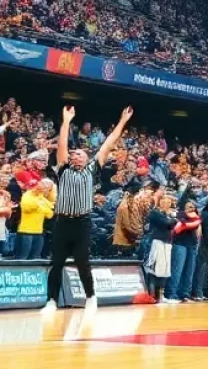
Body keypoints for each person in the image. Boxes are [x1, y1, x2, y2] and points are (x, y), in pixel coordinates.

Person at [42, 105, 133, 315]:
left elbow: (109, 143)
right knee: (56, 263)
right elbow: (62, 146)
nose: (76, 156)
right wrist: (66, 121)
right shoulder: (63, 169)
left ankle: (91, 297)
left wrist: (122, 121)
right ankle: (51, 301)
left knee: (83, 262)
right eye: (74, 155)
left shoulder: (93, 169)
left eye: (81, 154)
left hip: (82, 223)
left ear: (87, 157)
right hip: (62, 222)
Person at [165, 199, 201, 303]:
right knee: (177, 270)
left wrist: (186, 221)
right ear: (183, 207)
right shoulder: (179, 215)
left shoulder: (196, 218)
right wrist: (185, 220)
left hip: (192, 244)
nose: (192, 209)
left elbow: (194, 225)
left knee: (189, 271)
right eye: (189, 206)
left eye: (193, 207)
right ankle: (171, 294)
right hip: (180, 244)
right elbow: (178, 226)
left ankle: (184, 294)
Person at [146, 194, 177, 303]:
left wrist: (171, 220)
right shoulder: (155, 213)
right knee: (154, 269)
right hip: (157, 243)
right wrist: (172, 219)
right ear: (159, 202)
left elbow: (171, 224)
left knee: (164, 270)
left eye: (168, 202)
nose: (166, 204)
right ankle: (152, 295)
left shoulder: (167, 215)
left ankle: (161, 296)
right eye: (164, 201)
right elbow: (166, 223)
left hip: (167, 243)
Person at [16, 178, 54, 260]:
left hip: (38, 231)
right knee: (23, 257)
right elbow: (27, 208)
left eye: (39, 187)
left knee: (36, 257)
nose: (38, 189)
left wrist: (41, 204)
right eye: (36, 187)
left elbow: (50, 213)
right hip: (26, 232)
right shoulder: (26, 196)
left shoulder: (41, 197)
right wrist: (39, 204)